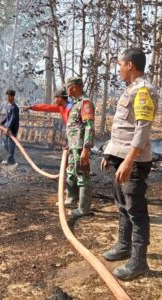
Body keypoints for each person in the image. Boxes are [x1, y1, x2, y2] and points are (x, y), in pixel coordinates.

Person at [101, 48, 158, 280]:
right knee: (123, 205)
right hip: (121, 157)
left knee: (136, 211)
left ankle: (139, 262)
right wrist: (110, 153)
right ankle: (124, 246)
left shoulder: (144, 90)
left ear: (130, 65)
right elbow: (122, 129)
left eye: (120, 65)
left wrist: (128, 161)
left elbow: (143, 129)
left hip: (132, 162)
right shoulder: (131, 90)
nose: (118, 69)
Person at [65, 77, 95, 218]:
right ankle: (71, 200)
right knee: (71, 171)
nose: (67, 90)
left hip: (80, 147)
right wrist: (69, 144)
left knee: (83, 175)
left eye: (68, 87)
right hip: (73, 146)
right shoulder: (75, 103)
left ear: (75, 87)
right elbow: (74, 126)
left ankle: (84, 208)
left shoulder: (85, 103)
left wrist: (86, 149)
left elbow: (89, 126)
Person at [0, 89, 19, 165]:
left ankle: (9, 160)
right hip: (7, 127)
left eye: (8, 97)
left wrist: (8, 128)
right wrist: (1, 123)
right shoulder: (8, 106)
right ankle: (11, 159)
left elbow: (13, 118)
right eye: (7, 97)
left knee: (11, 144)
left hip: (12, 129)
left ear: (12, 97)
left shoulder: (15, 108)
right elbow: (7, 117)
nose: (7, 98)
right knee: (5, 143)